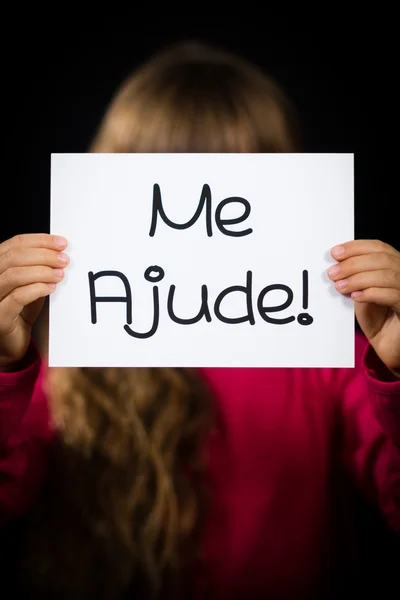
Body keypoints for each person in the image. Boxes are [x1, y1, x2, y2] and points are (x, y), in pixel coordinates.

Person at [0, 41, 399, 600]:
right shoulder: (63, 361)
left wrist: (398, 371)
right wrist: (3, 368)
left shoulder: (330, 360)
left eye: (245, 194)